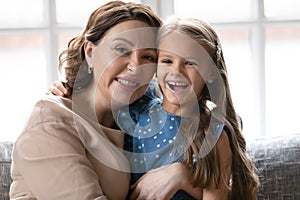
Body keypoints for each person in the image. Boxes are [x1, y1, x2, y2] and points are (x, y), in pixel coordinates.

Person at [50, 16, 259, 200]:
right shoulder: (136, 108)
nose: (176, 71)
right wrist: (65, 87)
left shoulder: (211, 133)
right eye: (167, 60)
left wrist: (185, 180)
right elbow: (101, 95)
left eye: (191, 63)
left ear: (211, 72)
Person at [10, 1, 162, 199]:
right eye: (121, 49)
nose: (135, 66)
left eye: (149, 57)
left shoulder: (139, 122)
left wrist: (180, 176)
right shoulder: (50, 120)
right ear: (90, 52)